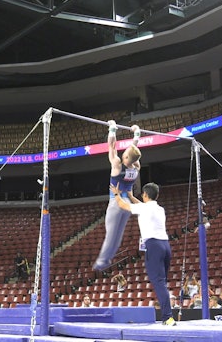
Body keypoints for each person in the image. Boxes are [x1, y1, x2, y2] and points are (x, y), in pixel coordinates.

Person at [111, 182, 175, 326]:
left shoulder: (144, 208)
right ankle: (168, 316)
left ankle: (168, 317)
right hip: (165, 244)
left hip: (154, 245)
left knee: (158, 282)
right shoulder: (159, 209)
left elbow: (122, 205)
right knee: (162, 282)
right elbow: (142, 207)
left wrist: (116, 193)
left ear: (145, 195)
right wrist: (131, 196)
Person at [93, 121, 142, 271]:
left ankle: (102, 262)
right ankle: (107, 258)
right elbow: (134, 153)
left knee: (110, 234)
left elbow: (111, 146)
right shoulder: (136, 168)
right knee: (117, 234)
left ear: (126, 157)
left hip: (116, 202)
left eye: (125, 152)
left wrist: (112, 129)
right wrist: (136, 134)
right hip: (127, 204)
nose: (124, 152)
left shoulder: (117, 165)